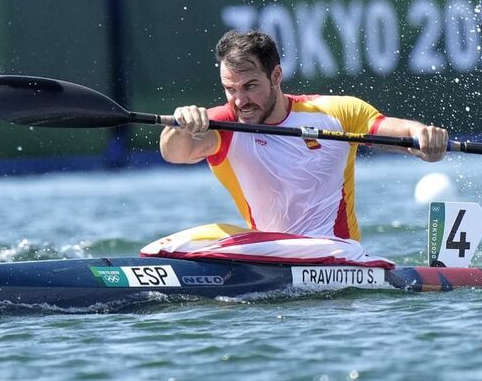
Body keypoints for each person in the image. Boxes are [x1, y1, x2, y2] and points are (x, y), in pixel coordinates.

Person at [160, 29, 448, 241]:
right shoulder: (224, 124)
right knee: (187, 241)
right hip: (270, 254)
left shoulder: (337, 113)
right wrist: (179, 126)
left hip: (337, 252)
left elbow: (402, 132)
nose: (239, 101)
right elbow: (175, 153)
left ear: (276, 76)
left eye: (250, 86)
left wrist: (424, 138)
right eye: (230, 89)